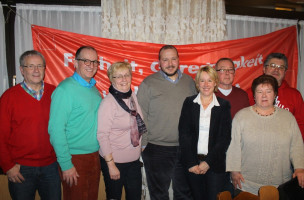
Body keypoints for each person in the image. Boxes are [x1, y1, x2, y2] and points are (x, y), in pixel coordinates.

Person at [227, 74, 304, 196]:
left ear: (275, 95)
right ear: (254, 95)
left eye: (268, 91)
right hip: (246, 184)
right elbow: (234, 146)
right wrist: (234, 171)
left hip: (281, 186)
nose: (264, 95)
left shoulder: (288, 118)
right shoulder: (241, 116)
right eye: (259, 91)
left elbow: (297, 145)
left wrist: (300, 168)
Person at [137, 45, 197, 200]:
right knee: (159, 195)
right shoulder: (148, 83)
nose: (170, 63)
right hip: (157, 149)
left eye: (173, 59)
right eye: (165, 59)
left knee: (184, 193)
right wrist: (144, 144)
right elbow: (140, 115)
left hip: (185, 149)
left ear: (178, 60)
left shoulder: (190, 82)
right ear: (159, 62)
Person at [0, 50, 61, 200]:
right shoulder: (9, 97)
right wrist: (8, 166)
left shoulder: (55, 93)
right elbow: (1, 135)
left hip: (51, 166)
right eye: (31, 66)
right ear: (22, 70)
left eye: (40, 66)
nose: (36, 70)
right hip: (20, 169)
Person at [48, 46, 102, 200]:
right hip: (74, 159)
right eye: (85, 60)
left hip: (94, 156)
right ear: (75, 62)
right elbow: (56, 130)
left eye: (94, 61)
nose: (90, 65)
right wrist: (66, 164)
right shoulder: (65, 90)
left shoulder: (93, 90)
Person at [179, 66, 232, 200]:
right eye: (202, 81)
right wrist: (191, 163)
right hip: (193, 164)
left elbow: (224, 139)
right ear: (197, 83)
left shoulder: (224, 105)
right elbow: (184, 134)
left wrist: (207, 162)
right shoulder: (189, 102)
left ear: (215, 82)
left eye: (209, 80)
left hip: (214, 164)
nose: (206, 84)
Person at [97, 62, 145, 200]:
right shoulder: (108, 103)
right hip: (115, 162)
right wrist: (111, 165)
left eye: (126, 75)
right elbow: (102, 135)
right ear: (112, 79)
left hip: (134, 162)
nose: (123, 79)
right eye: (118, 76)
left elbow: (136, 125)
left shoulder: (132, 97)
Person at [247, 53, 304, 139]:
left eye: (281, 67)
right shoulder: (250, 93)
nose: (276, 70)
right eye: (272, 65)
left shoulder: (295, 95)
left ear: (285, 72)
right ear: (264, 69)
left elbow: (301, 124)